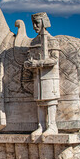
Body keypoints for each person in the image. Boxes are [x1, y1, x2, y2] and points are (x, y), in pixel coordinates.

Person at [24, 12, 60, 140]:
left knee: (50, 101)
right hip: (37, 76)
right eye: (33, 23)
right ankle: (41, 126)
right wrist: (29, 64)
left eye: (37, 23)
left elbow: (54, 59)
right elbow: (29, 58)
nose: (34, 26)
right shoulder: (34, 42)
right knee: (39, 101)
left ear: (44, 23)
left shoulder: (52, 41)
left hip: (50, 76)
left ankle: (52, 125)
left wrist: (37, 63)